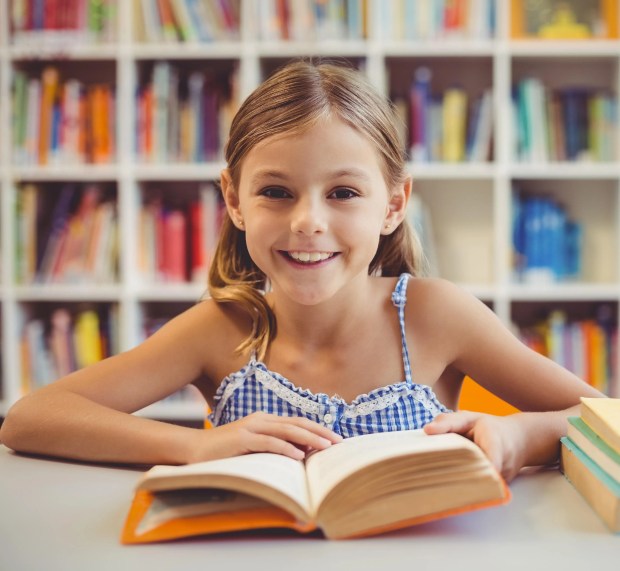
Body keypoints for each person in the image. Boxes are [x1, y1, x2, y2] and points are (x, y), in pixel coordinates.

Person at [0, 60, 604, 482]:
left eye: (343, 192)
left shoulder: (433, 313)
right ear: (234, 201)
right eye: (276, 192)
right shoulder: (221, 328)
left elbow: (603, 417)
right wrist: (193, 445)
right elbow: (31, 418)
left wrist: (524, 437)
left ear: (393, 205)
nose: (308, 222)